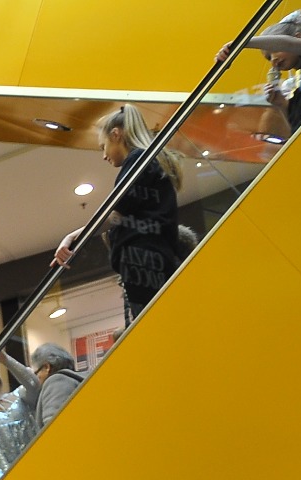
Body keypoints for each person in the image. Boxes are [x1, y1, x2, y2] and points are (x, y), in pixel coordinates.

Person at [54, 106, 185, 325]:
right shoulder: (149, 162)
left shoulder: (139, 160)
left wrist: (73, 237)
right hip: (150, 263)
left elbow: (113, 214)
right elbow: (119, 215)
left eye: (103, 146)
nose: (104, 156)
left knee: (152, 329)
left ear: (117, 134)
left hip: (144, 265)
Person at [230, 12, 301, 135]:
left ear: (298, 38)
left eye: (275, 49)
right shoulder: (300, 89)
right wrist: (281, 103)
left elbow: (288, 44)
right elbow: (294, 124)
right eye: (269, 58)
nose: (273, 59)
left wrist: (241, 43)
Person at [29, 342, 83, 432]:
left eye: (36, 373)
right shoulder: (75, 381)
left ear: (47, 367)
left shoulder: (56, 382)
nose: (37, 379)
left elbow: (54, 430)